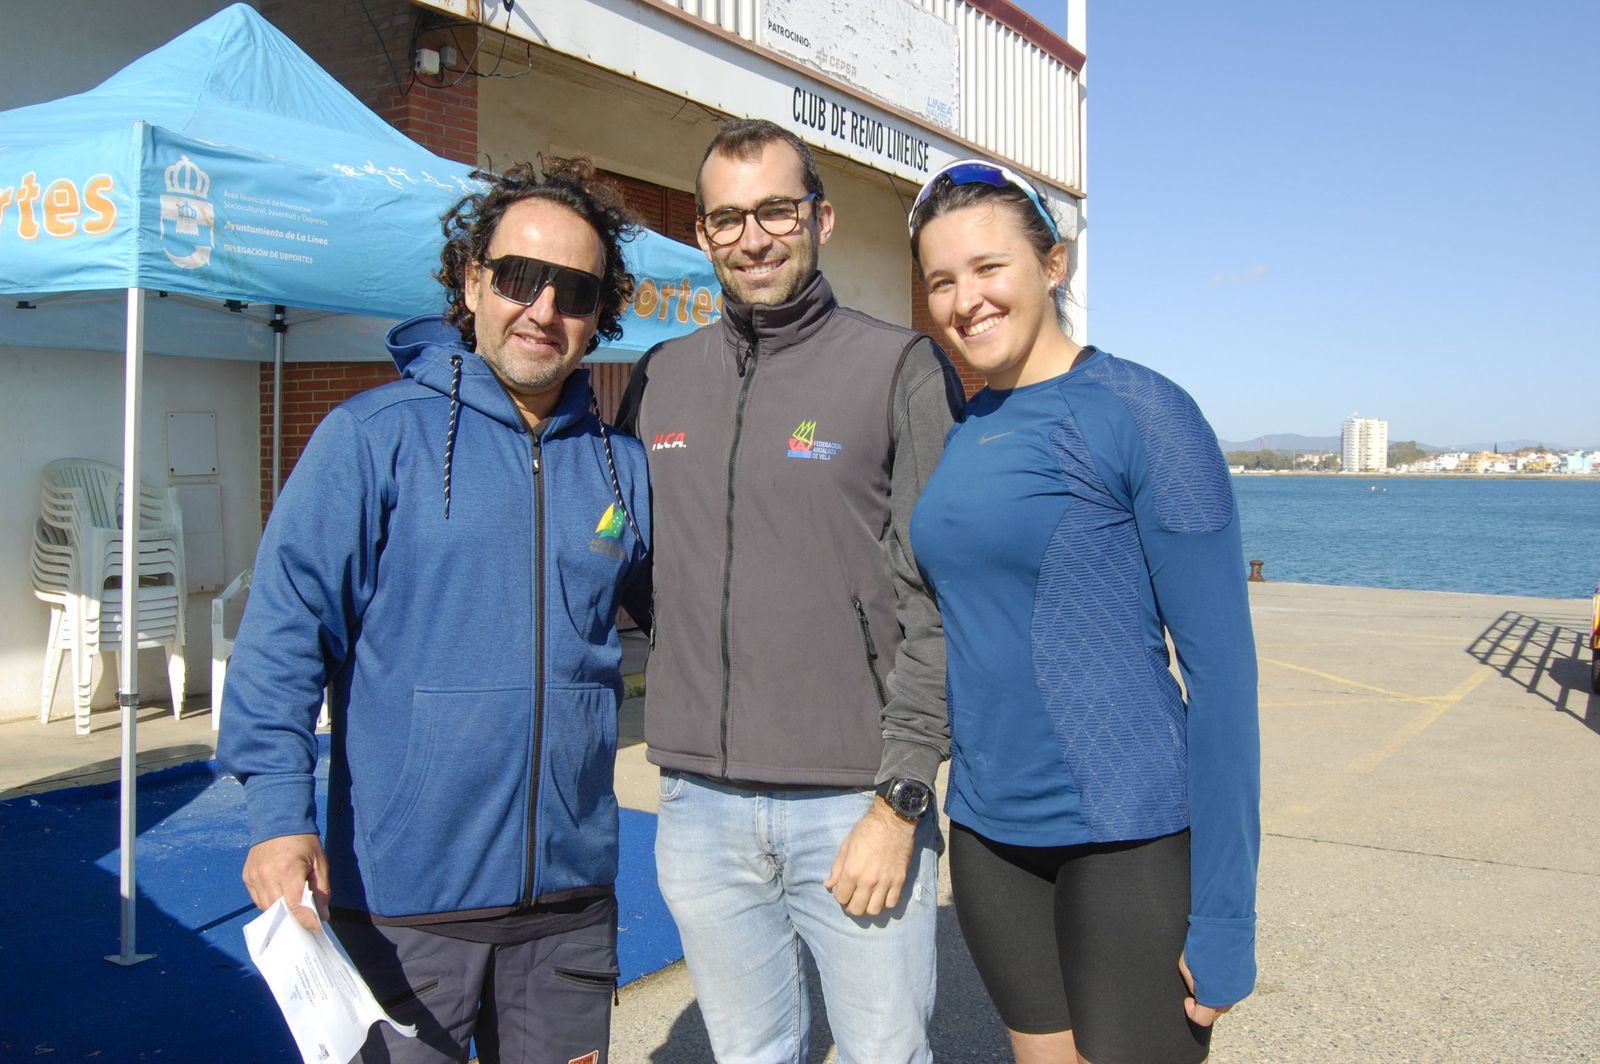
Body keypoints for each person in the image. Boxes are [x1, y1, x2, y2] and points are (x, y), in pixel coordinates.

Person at [217, 157, 650, 1064]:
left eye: (573, 290)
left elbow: (692, 625)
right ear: (471, 281)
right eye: (519, 278)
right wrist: (277, 814)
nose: (542, 308)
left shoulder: (623, 469)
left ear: (599, 312)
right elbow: (285, 632)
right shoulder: (373, 440)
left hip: (569, 908)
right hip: (410, 903)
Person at [616, 120, 961, 1063]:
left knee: (885, 1052)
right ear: (702, 234)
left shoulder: (899, 367)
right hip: (698, 806)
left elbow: (943, 601)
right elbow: (637, 567)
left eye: (776, 209)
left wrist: (902, 797)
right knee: (750, 1054)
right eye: (727, 218)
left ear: (823, 217)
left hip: (854, 801)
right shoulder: (660, 378)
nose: (753, 237)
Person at [906, 158, 1261, 1064]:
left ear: (1052, 266)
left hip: (1127, 837)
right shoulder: (964, 428)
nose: (965, 300)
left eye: (990, 268)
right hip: (989, 837)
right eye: (941, 279)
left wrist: (1225, 913)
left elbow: (1223, 680)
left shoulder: (1145, 413)